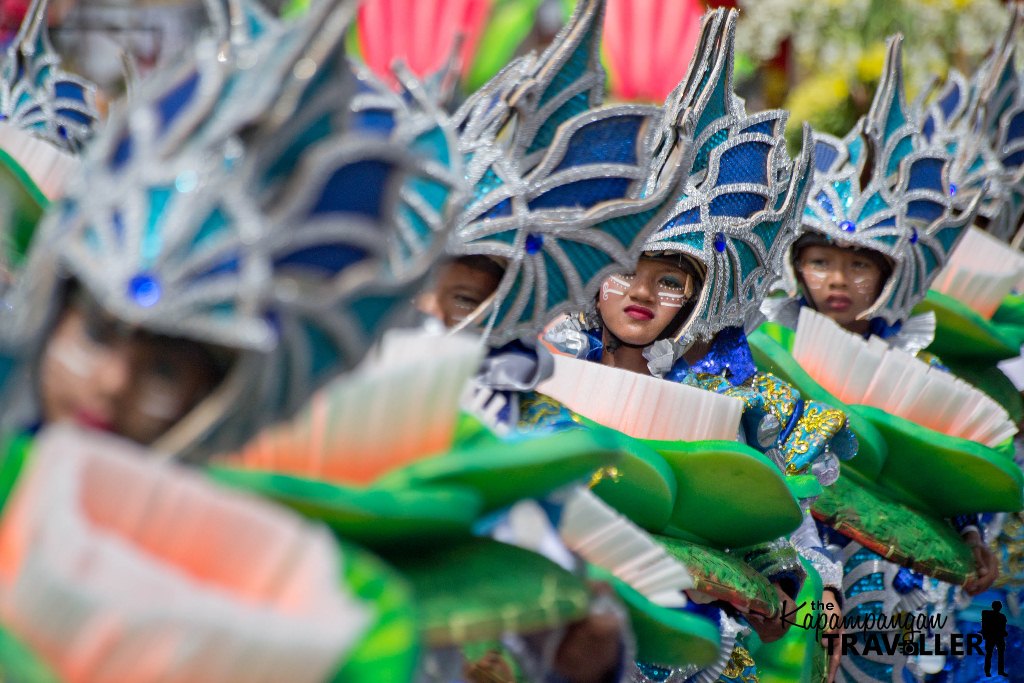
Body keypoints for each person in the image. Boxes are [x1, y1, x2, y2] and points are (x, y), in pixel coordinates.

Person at [544, 9, 858, 681]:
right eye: (628, 269)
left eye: (669, 282)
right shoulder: (546, 367)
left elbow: (775, 522)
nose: (641, 293)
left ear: (695, 299)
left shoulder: (732, 397)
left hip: (695, 648)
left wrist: (809, 590)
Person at [763, 35, 1001, 683]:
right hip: (795, 566)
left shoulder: (918, 366)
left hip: (898, 583)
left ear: (888, 271)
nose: (837, 279)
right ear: (796, 265)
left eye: (858, 263)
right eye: (820, 260)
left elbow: (946, 467)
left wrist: (975, 536)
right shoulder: (767, 354)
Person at [982, 600, 1008, 677]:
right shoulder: (989, 614)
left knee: (997, 655)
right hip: (993, 637)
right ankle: (989, 671)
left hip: (997, 637)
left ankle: (997, 671)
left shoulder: (1002, 616)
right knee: (991, 655)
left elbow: (1003, 628)